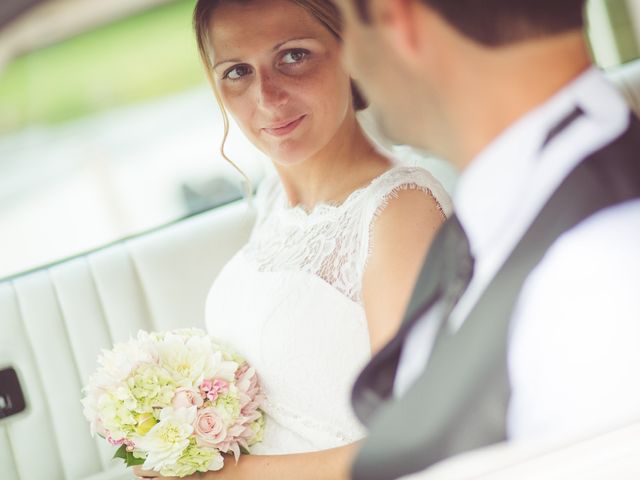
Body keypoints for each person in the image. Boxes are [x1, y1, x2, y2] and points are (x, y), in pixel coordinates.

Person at [134, 0, 450, 479]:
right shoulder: (273, 201)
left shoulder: (398, 211)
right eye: (237, 71)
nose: (267, 97)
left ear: (351, 50)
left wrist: (221, 475)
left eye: (294, 56)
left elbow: (418, 443)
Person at [333, 0, 640, 479]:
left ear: (398, 19)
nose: (348, 63)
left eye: (345, 26)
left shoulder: (603, 270)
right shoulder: (502, 214)